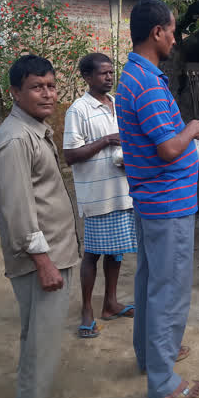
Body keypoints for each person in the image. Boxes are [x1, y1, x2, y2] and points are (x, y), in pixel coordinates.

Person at [115, 0, 199, 398]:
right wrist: (192, 129)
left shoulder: (134, 75)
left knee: (151, 284)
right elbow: (169, 147)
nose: (175, 37)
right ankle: (163, 382)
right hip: (167, 204)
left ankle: (150, 358)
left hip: (152, 201)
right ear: (157, 32)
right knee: (168, 291)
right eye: (172, 30)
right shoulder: (148, 84)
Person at [0, 54, 79, 398]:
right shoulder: (15, 140)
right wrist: (43, 263)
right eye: (36, 87)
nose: (47, 94)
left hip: (58, 252)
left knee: (43, 339)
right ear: (15, 92)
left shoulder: (35, 130)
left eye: (51, 86)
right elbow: (19, 210)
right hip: (43, 260)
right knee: (38, 346)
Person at [63, 53, 136, 339]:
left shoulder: (119, 104)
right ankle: (86, 309)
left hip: (123, 191)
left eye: (110, 72)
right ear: (87, 77)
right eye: (103, 73)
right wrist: (107, 140)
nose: (109, 77)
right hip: (97, 195)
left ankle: (110, 303)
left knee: (116, 251)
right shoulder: (78, 110)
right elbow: (70, 155)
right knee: (93, 253)